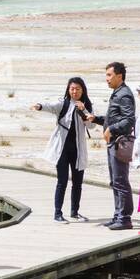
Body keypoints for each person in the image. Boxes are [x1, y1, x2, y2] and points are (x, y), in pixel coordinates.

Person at [32, 79, 93, 222]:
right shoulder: (63, 103)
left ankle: (75, 212)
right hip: (62, 150)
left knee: (77, 182)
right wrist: (40, 106)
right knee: (62, 180)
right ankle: (57, 214)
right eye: (72, 89)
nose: (74, 91)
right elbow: (51, 106)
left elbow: (91, 127)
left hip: (78, 150)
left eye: (78, 89)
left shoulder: (87, 106)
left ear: (82, 90)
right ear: (68, 90)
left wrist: (83, 110)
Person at [90, 62, 136, 230]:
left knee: (120, 181)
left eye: (109, 75)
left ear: (119, 76)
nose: (107, 79)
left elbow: (129, 120)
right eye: (106, 75)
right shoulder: (118, 93)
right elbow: (114, 118)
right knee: (115, 181)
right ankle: (118, 215)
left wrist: (112, 128)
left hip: (119, 143)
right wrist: (95, 119)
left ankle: (124, 219)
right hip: (113, 143)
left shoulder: (124, 94)